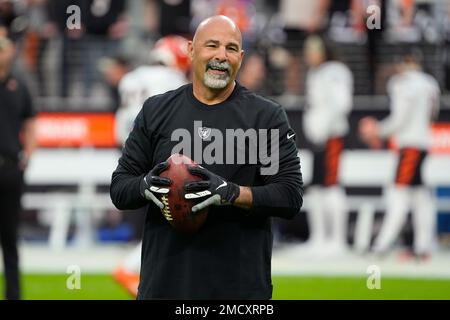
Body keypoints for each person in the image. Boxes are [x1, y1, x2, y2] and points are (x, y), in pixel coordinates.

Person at [110, 15, 303, 299]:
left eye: (231, 48)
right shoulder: (156, 111)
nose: (221, 56)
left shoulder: (265, 117)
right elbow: (120, 189)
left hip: (238, 290)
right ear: (191, 50)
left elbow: (289, 196)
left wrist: (230, 193)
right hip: (165, 286)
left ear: (241, 56)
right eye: (212, 45)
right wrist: (146, 186)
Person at [111, 35, 190, 297]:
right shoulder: (172, 80)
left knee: (165, 222)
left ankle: (154, 279)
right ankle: (133, 269)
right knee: (177, 220)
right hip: (157, 155)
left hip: (129, 156)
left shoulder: (131, 78)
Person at [359, 48, 440, 260]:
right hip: (422, 143)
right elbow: (433, 114)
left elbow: (400, 118)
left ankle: (382, 246)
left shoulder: (402, 83)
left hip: (410, 145)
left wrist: (377, 130)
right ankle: (423, 247)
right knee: (420, 197)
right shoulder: (430, 83)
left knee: (399, 195)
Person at [300, 35, 353, 256]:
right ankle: (319, 238)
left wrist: (324, 127)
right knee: (317, 188)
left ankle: (337, 240)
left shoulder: (335, 72)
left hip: (331, 136)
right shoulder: (315, 73)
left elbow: (342, 104)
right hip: (319, 138)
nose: (309, 54)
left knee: (332, 187)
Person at [0, 26, 37, 300]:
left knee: (10, 237)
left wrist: (28, 155)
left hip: (10, 168)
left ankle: (14, 295)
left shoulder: (19, 86)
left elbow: (31, 123)